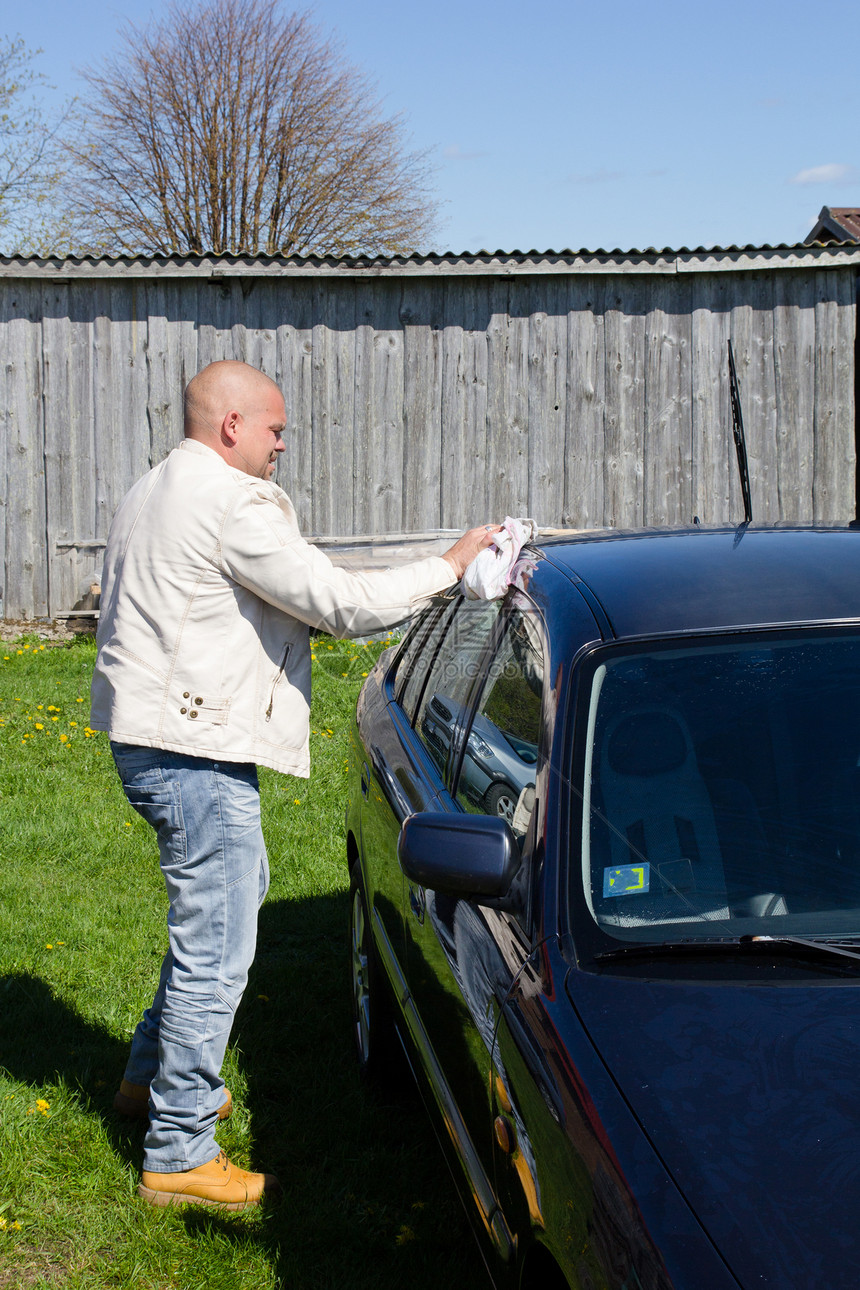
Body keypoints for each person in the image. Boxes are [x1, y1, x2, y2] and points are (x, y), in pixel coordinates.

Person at [90, 359, 498, 1211]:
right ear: (232, 425)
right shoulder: (230, 500)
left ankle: (145, 1080)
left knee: (216, 914)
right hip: (189, 750)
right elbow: (336, 601)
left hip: (154, 737)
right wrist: (451, 565)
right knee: (220, 941)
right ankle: (178, 1149)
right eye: (275, 430)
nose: (282, 446)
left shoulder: (156, 484)